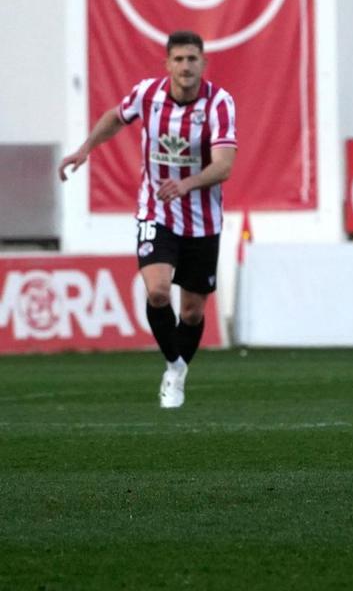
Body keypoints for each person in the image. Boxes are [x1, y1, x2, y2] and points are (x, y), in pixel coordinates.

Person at [59, 31, 237, 409]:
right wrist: (84, 149)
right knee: (157, 291)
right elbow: (115, 117)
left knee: (192, 311)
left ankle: (178, 368)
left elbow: (224, 166)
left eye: (192, 59)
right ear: (167, 64)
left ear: (203, 63)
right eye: (179, 59)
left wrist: (186, 184)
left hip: (203, 220)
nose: (186, 66)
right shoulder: (147, 95)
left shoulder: (219, 103)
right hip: (156, 210)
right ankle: (173, 368)